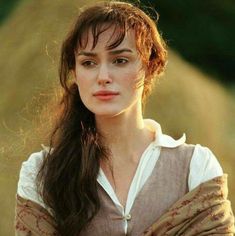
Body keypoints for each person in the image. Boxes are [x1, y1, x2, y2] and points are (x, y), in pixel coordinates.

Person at [15, 1, 235, 235]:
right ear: (75, 74)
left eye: (120, 60)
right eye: (89, 63)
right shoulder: (41, 173)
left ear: (150, 67)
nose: (103, 76)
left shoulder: (195, 168)